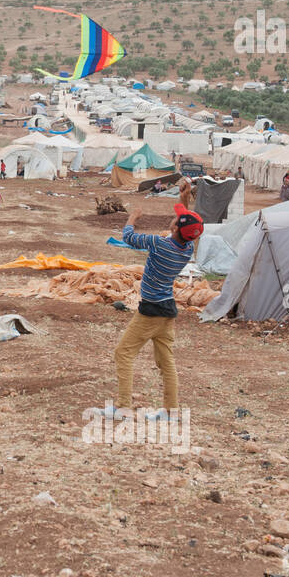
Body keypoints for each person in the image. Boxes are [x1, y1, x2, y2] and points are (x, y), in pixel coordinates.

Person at [105, 179, 204, 422]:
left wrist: (132, 218)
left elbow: (128, 237)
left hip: (150, 311)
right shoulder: (187, 247)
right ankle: (171, 411)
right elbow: (184, 221)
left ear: (174, 229)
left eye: (174, 221)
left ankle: (123, 408)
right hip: (167, 311)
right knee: (165, 361)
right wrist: (184, 199)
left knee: (123, 354)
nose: (172, 220)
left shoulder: (159, 245)